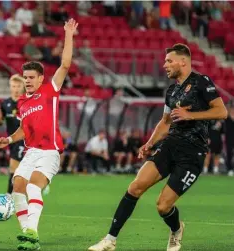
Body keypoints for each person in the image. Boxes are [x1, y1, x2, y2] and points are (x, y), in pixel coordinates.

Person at [88, 43, 228, 251]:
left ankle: (176, 230)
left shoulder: (201, 82)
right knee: (135, 186)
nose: (165, 65)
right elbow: (165, 122)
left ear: (183, 61)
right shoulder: (171, 91)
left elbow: (221, 112)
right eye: (165, 61)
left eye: (169, 61)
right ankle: (110, 239)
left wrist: (191, 115)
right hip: (170, 145)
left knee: (163, 206)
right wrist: (149, 143)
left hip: (192, 153)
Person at [0, 18, 78, 250]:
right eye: (25, 77)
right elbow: (23, 130)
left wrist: (68, 34)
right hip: (29, 152)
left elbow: (65, 65)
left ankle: (32, 233)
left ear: (40, 79)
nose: (27, 81)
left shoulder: (51, 90)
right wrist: (7, 139)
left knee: (32, 188)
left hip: (49, 152)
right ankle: (28, 236)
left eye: (31, 78)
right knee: (17, 187)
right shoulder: (22, 103)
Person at [0, 74, 25, 194]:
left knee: (13, 167)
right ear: (10, 87)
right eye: (14, 86)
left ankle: (9, 197)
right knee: (18, 169)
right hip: (11, 140)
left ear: (22, 87)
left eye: (18, 86)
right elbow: (0, 122)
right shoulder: (5, 104)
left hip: (24, 139)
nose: (16, 89)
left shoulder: (26, 102)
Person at [224, 105, 234, 177]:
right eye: (232, 109)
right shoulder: (227, 118)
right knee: (229, 153)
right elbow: (225, 110)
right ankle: (229, 169)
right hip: (229, 138)